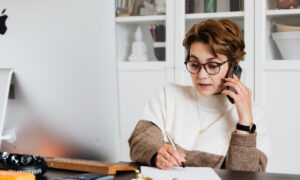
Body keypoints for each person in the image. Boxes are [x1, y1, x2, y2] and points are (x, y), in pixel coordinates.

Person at [128, 19, 270, 172]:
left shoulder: (253, 115)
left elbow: (245, 175)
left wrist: (244, 124)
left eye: (213, 65)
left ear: (233, 66)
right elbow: (139, 142)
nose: (202, 75)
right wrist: (157, 155)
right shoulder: (167, 95)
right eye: (195, 64)